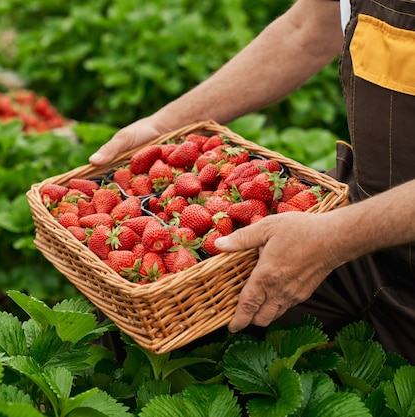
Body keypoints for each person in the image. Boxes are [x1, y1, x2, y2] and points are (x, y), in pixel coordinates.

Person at [89, 0, 415, 363]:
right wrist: (163, 128)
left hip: (360, 233)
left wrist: (334, 238)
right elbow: (304, 32)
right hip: (363, 210)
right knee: (148, 325)